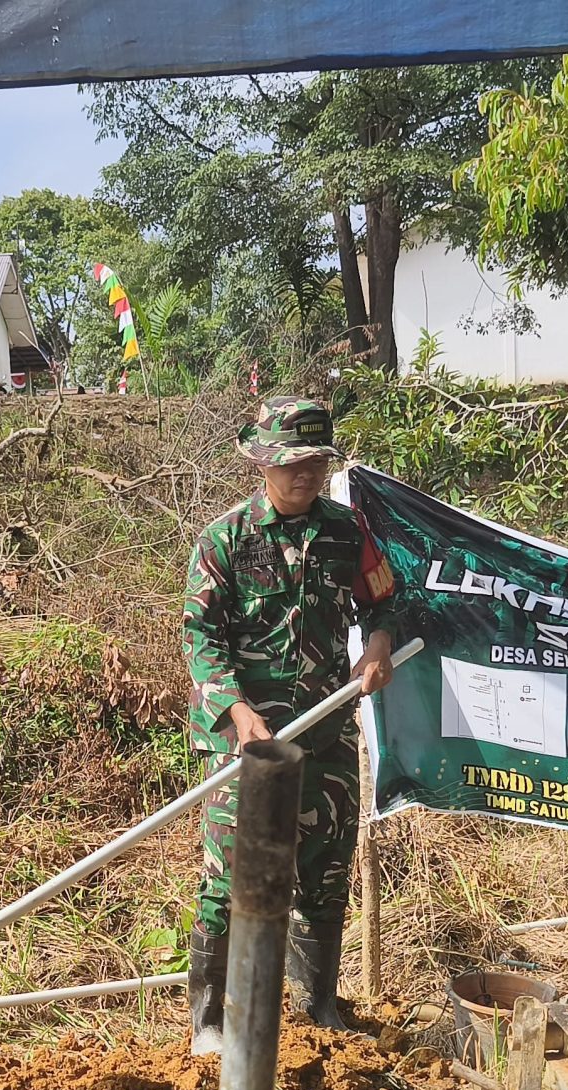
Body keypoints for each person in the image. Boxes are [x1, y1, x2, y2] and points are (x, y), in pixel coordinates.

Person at [180, 396, 400, 1054]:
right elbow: (200, 636)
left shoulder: (346, 532)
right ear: (262, 464)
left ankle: (318, 1010)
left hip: (326, 732)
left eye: (314, 462)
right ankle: (210, 1021)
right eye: (291, 463)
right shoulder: (225, 540)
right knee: (228, 875)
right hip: (245, 741)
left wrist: (380, 645)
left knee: (326, 868)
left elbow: (385, 601)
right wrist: (236, 707)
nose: (303, 473)